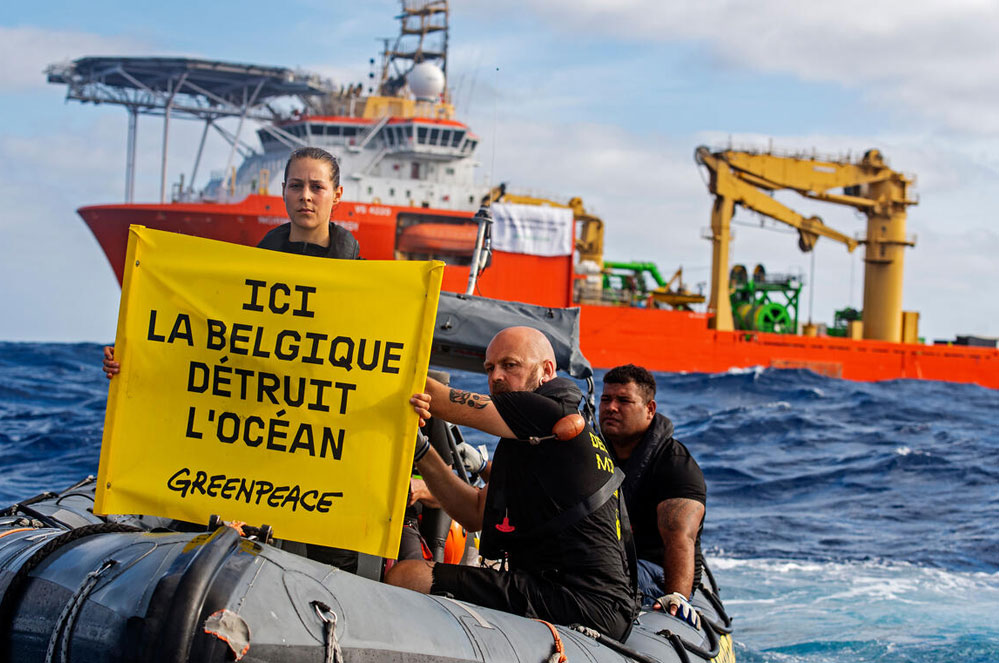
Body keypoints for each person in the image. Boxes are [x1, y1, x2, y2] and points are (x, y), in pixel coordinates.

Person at [387, 326, 635, 640]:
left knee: (407, 576)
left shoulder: (548, 410)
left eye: (510, 365)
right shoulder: (531, 437)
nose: (496, 377)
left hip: (581, 602)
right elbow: (473, 512)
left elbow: (438, 398)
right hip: (584, 597)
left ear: (547, 370)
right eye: (489, 368)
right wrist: (423, 449)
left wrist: (376, 358)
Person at [103, 146, 359, 377]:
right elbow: (205, 339)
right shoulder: (248, 276)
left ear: (337, 195)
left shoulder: (365, 282)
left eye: (317, 187)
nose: (305, 196)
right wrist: (134, 357)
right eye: (295, 186)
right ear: (283, 191)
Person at [599, 364, 706, 628]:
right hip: (604, 557)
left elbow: (681, 537)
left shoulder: (674, 463)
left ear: (650, 409)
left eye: (624, 400)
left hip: (657, 572)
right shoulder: (592, 453)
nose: (611, 407)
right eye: (605, 399)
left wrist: (678, 596)